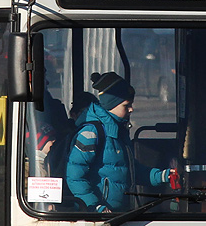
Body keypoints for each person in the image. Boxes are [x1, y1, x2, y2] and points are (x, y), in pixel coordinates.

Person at [66, 72, 172, 212]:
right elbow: (75, 177)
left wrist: (163, 176)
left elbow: (130, 170)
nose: (131, 109)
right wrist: (94, 206)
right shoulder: (90, 133)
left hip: (116, 215)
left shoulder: (119, 131)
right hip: (96, 217)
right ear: (111, 105)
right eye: (126, 105)